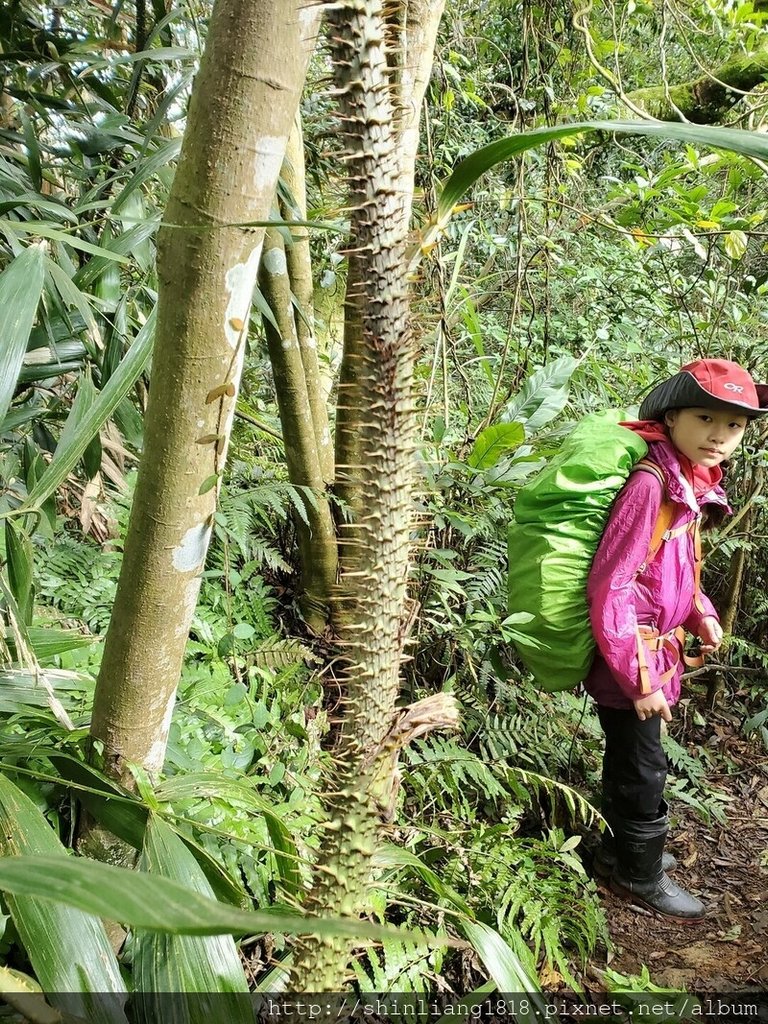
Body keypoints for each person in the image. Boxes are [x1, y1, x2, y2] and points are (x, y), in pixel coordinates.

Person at [585, 359, 768, 921]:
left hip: (652, 651)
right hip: (632, 656)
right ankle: (640, 876)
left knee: (628, 757)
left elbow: (672, 568)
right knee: (645, 767)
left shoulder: (685, 478)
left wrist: (699, 612)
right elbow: (612, 584)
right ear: (671, 417)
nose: (720, 434)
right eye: (706, 417)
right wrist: (638, 680)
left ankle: (614, 852)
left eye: (735, 425)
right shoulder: (651, 484)